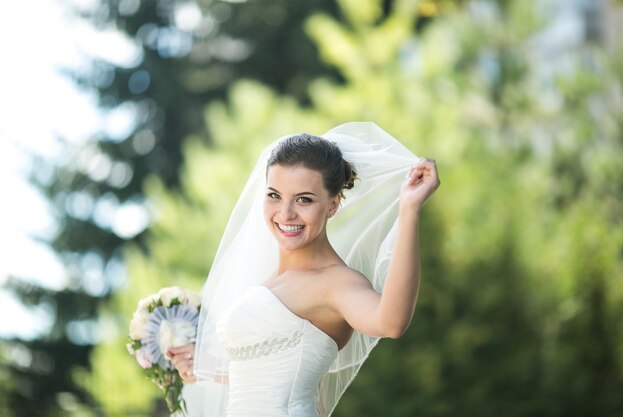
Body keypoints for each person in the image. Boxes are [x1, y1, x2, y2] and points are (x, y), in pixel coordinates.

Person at [168, 122, 439, 416]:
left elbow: (391, 322)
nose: (285, 213)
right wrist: (204, 366)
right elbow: (264, 380)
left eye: (304, 200)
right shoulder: (270, 281)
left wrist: (409, 210)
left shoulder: (336, 283)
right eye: (274, 195)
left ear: (333, 205)